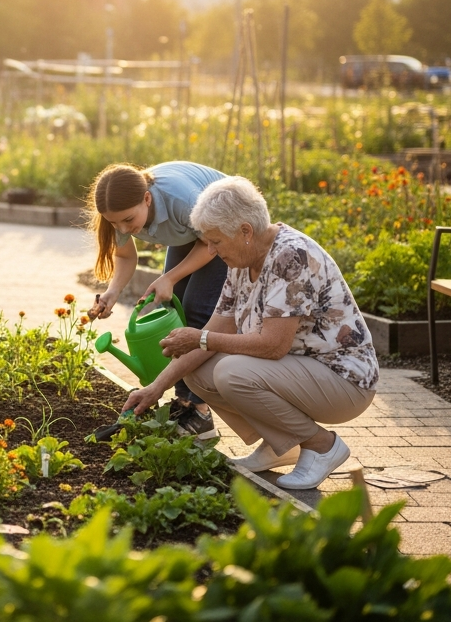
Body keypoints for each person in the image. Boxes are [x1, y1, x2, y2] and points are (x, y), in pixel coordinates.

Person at [121, 176, 379, 490]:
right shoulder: (242, 259)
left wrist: (200, 338)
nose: (211, 250)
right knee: (197, 371)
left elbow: (273, 346)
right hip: (300, 371)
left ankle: (322, 446)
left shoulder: (291, 256)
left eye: (215, 241)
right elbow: (218, 328)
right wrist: (156, 388)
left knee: (232, 372)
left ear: (245, 230)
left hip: (344, 380)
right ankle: (280, 444)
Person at [87, 162, 228, 439]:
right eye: (115, 223)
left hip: (222, 231)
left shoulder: (181, 200)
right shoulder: (119, 214)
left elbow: (210, 244)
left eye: (128, 220)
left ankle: (198, 411)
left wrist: (170, 278)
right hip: (192, 231)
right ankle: (184, 403)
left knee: (196, 311)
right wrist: (112, 292)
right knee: (175, 311)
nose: (123, 229)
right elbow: (126, 256)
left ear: (147, 199)